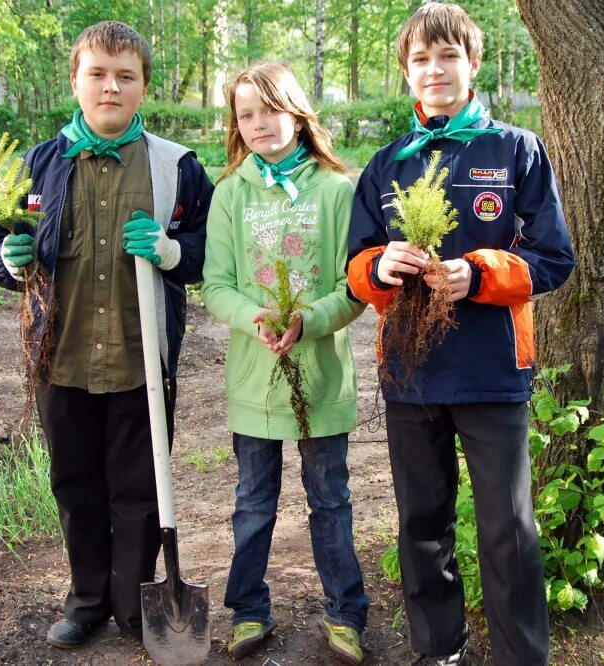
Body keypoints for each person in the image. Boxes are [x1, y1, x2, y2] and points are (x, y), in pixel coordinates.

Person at [346, 4, 575, 665]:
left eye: (447, 56)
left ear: (473, 65)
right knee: (421, 524)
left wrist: (477, 275)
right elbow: (357, 267)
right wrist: (381, 269)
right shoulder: (387, 164)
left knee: (508, 529)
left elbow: (553, 258)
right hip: (411, 373)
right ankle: (438, 649)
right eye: (420, 59)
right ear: (407, 74)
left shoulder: (516, 150)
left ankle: (520, 655)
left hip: (493, 371)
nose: (434, 69)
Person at [0, 20, 213, 649]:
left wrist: (170, 251)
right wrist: (9, 259)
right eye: (98, 74)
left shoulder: (176, 168)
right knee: (76, 484)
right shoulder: (41, 164)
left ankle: (135, 605)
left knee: (139, 489)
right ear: (76, 81)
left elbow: (210, 252)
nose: (111, 87)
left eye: (125, 77)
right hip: (62, 359)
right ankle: (86, 600)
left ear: (143, 88)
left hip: (142, 364)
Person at [201, 62, 369, 664]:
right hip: (255, 381)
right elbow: (215, 283)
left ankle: (346, 613)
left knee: (330, 498)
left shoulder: (337, 191)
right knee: (252, 501)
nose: (257, 124)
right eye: (245, 115)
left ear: (297, 112)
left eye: (269, 110)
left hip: (322, 378)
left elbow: (357, 286)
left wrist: (308, 321)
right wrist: (254, 319)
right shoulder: (229, 194)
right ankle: (248, 609)